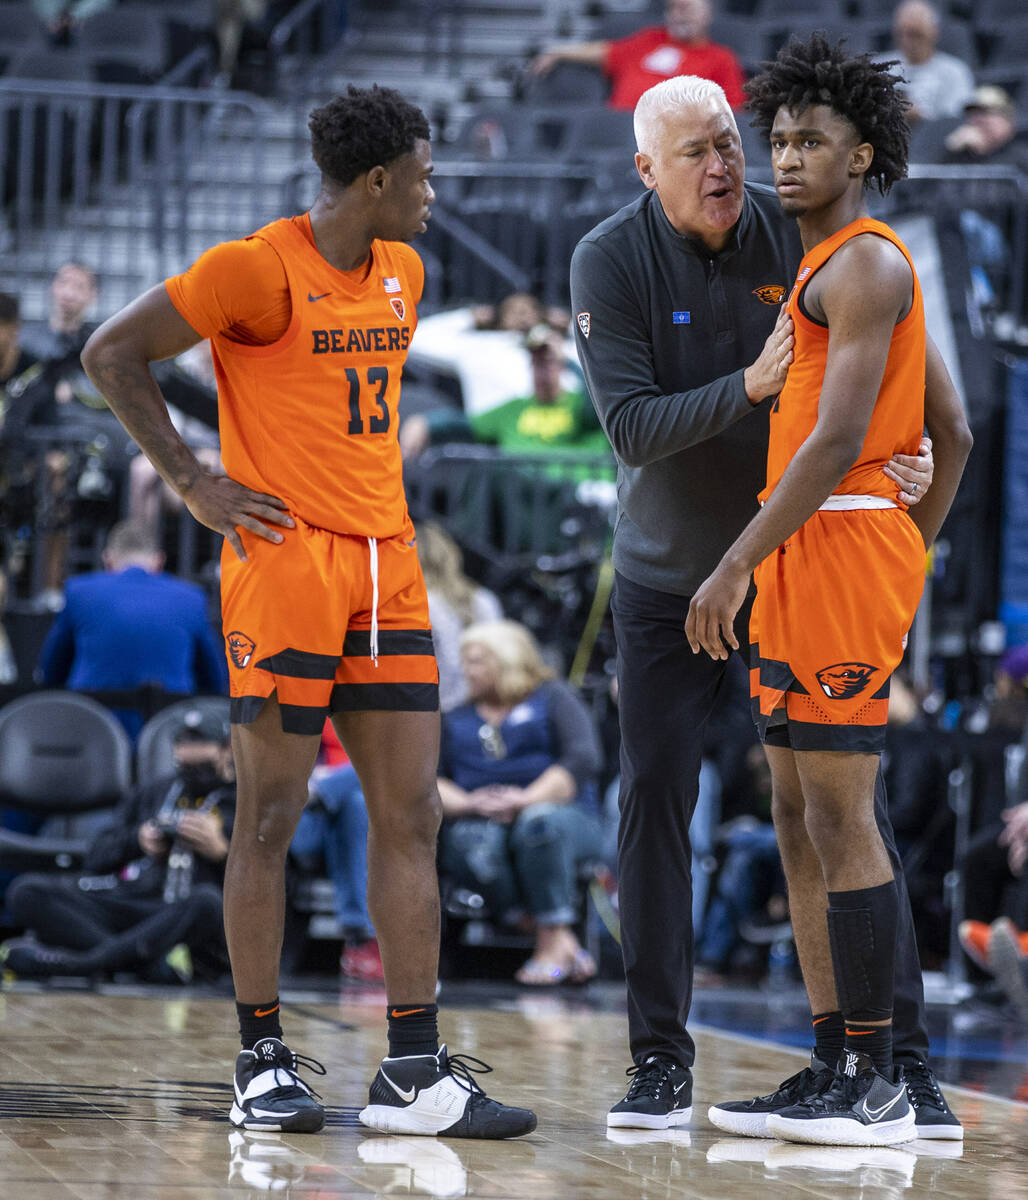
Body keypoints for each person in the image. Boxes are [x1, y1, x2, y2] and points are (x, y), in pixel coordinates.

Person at [80, 85, 535, 1140]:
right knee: (268, 817)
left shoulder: (406, 271)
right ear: (374, 181)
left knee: (412, 812)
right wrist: (192, 479)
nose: (433, 192)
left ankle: (413, 1072)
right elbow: (112, 351)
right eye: (422, 175)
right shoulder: (253, 266)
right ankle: (260, 1058)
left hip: (388, 564)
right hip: (286, 563)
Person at [569, 72, 967, 1136]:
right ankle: (661, 1062)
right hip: (676, 573)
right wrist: (747, 388)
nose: (734, 166)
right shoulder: (609, 258)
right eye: (700, 152)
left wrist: (896, 541)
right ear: (645, 169)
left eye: (734, 146)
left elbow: (923, 422)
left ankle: (895, 1067)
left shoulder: (817, 237)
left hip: (800, 564)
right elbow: (631, 433)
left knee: (842, 809)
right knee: (667, 804)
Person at [688, 34, 972, 1145]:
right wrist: (911, 542)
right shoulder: (828, 266)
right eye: (780, 139)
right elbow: (942, 428)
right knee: (797, 811)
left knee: (842, 815)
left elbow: (840, 439)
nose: (787, 157)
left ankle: (880, 1079)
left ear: (863, 152)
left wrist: (741, 561)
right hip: (824, 551)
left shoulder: (863, 260)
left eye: (811, 140)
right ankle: (837, 1060)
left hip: (834, 548)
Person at [0, 706, 235, 983]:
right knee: (27, 892)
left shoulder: (242, 801)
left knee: (207, 902)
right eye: (184, 747)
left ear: (227, 750)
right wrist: (138, 840)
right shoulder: (155, 791)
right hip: (130, 899)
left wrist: (223, 853)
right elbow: (96, 856)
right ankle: (146, 966)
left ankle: (83, 964)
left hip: (179, 912)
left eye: (201, 749)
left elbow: (276, 884)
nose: (191, 758)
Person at [436, 620, 605, 985]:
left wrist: (525, 799)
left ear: (507, 660)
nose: (467, 670)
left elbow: (581, 760)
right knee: (469, 841)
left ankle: (549, 943)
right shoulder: (454, 717)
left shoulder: (554, 697)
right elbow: (432, 779)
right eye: (465, 661)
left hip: (563, 816)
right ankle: (558, 938)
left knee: (538, 824)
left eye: (477, 660)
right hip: (480, 818)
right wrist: (468, 803)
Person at [37, 520, 228, 739]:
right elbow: (214, 680)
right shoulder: (192, 598)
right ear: (159, 561)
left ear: (107, 559)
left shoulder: (78, 591)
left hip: (91, 735)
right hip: (170, 738)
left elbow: (50, 672)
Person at [530, 0, 745, 112]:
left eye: (686, 8)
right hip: (622, 127)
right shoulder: (650, 40)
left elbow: (731, 109)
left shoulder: (720, 58)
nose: (679, 14)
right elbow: (604, 51)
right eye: (673, 8)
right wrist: (558, 51)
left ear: (707, 14)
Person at [290, 760, 384, 983]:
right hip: (303, 821)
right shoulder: (305, 725)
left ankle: (321, 794)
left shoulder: (377, 728)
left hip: (366, 817)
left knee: (355, 803)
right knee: (358, 796)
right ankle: (362, 938)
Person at [414, 521, 503, 712]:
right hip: (486, 706)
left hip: (440, 708)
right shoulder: (484, 598)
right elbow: (501, 655)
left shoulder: (420, 603)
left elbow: (449, 658)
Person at [889, 0, 975, 122]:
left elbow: (955, 121)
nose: (906, 41)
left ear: (934, 32)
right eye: (901, 34)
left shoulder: (955, 72)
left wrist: (919, 118)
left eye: (915, 34)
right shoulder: (880, 67)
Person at [944, 86, 1028, 172]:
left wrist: (982, 153)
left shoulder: (1021, 156)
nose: (977, 120)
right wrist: (950, 151)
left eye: (985, 113)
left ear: (1007, 120)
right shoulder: (960, 153)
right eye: (972, 114)